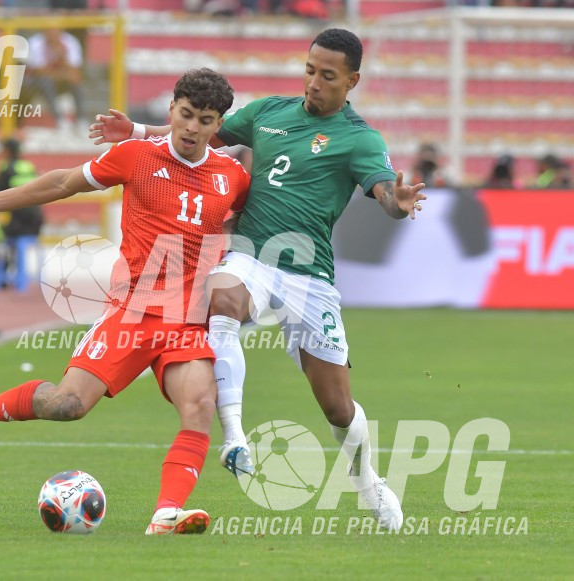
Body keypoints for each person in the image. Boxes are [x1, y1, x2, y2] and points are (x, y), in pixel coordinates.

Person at [91, 28, 427, 531]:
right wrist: (138, 131)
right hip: (251, 255)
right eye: (309, 70)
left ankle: (367, 481)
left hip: (310, 276)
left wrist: (395, 206)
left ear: (351, 81)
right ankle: (235, 437)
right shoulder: (268, 112)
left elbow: (384, 192)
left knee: (337, 408)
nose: (314, 83)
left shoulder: (360, 138)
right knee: (222, 298)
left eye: (327, 75)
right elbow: (201, 133)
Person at [0, 68, 250, 535]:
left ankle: (166, 513)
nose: (192, 127)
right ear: (172, 109)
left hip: (187, 321)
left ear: (219, 125)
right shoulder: (135, 155)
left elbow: (244, 227)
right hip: (132, 312)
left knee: (199, 404)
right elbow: (63, 183)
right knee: (67, 404)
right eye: (187, 114)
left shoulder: (233, 177)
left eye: (205, 120)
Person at [0, 138, 43, 291]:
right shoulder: (29, 166)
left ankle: (0, 279)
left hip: (19, 225)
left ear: (7, 151)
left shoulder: (5, 168)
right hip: (37, 222)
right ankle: (15, 278)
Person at [25, 29, 86, 129]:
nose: (53, 34)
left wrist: (62, 56)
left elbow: (75, 71)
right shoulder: (35, 42)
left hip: (59, 80)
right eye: (50, 30)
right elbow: (39, 71)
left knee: (76, 82)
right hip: (37, 83)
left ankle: (80, 119)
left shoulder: (70, 41)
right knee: (45, 82)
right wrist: (63, 74)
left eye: (56, 30)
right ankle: (60, 120)